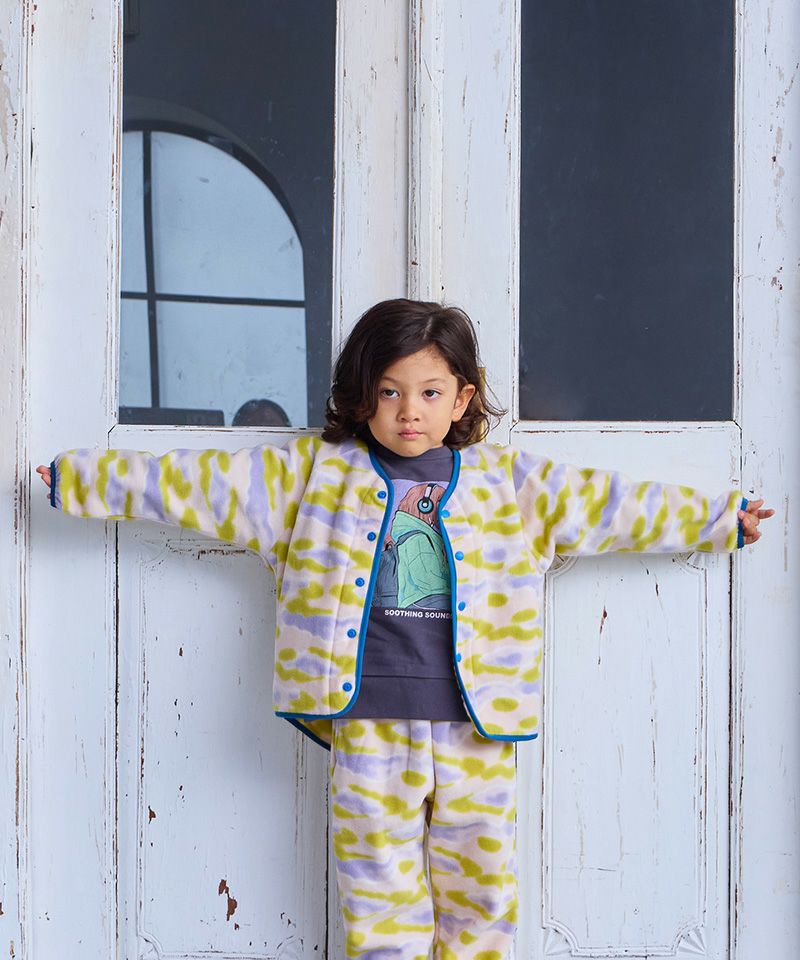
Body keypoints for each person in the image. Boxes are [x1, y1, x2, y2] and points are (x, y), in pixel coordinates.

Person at [35, 298, 773, 960]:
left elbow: (613, 505)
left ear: (463, 398)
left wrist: (718, 520)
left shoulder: (509, 485)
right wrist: (83, 479)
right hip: (367, 725)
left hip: (477, 728)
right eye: (389, 392)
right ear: (362, 395)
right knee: (378, 901)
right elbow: (194, 485)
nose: (408, 411)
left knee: (482, 896)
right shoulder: (312, 477)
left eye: (429, 392)